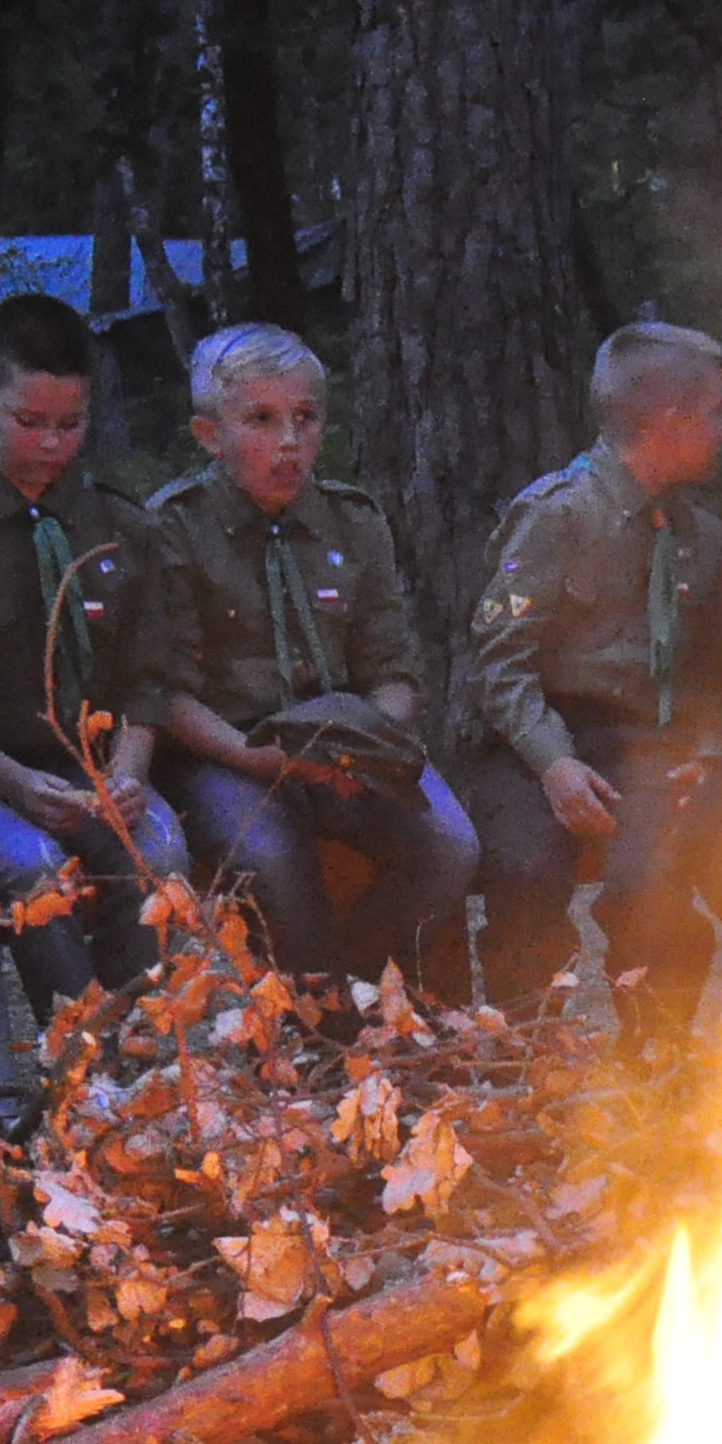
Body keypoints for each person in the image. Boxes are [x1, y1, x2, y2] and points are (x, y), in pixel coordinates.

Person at [138, 324, 480, 1002]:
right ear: (211, 434)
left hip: (344, 744)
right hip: (226, 753)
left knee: (450, 845)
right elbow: (168, 693)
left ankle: (355, 988)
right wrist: (257, 757)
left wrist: (362, 745)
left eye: (305, 418)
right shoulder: (174, 528)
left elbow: (393, 670)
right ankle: (325, 1034)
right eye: (261, 421)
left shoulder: (351, 521)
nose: (289, 442)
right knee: (272, 855)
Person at [0, 292, 191, 1017]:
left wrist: (127, 775)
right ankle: (77, 1056)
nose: (52, 445)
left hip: (94, 767)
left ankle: (143, 1047)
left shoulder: (120, 524)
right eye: (29, 423)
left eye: (71, 425)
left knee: (158, 857)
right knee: (34, 871)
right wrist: (19, 784)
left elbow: (146, 680)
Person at [473, 322, 722, 1050]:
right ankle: (523, 1073)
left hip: (648, 742)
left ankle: (655, 1061)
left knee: (651, 883)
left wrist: (708, 749)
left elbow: (721, 673)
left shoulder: (704, 538)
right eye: (717, 414)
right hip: (541, 734)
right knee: (523, 872)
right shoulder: (555, 517)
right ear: (669, 423)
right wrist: (554, 763)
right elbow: (500, 663)